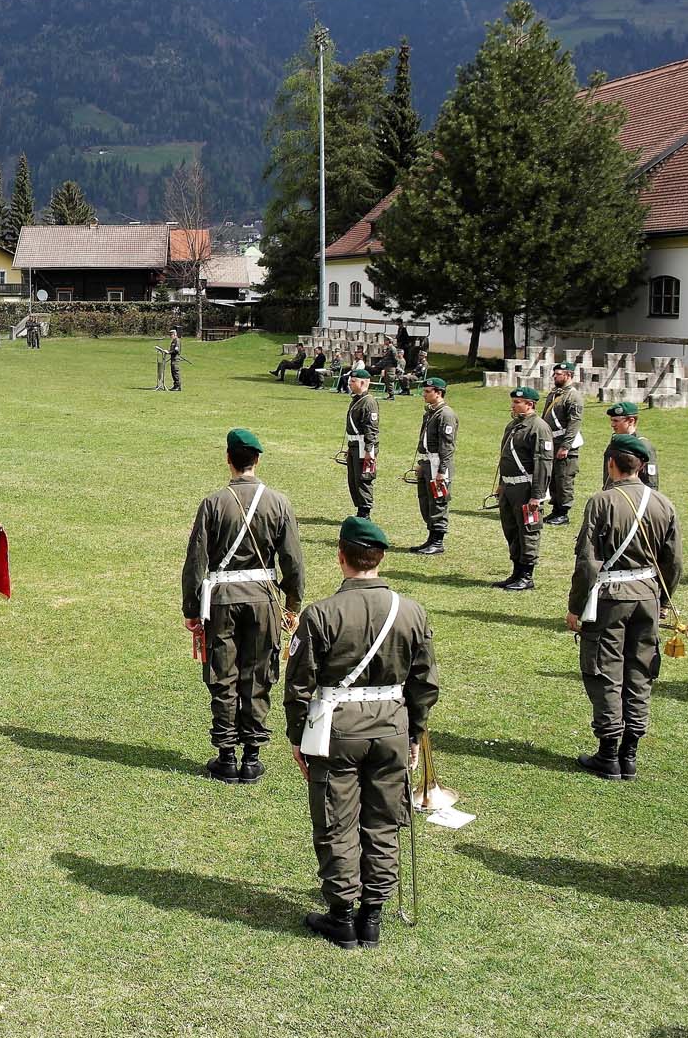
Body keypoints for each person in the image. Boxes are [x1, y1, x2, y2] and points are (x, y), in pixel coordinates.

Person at [285, 516, 439, 950]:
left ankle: (342, 916)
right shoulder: (411, 611)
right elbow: (425, 682)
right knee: (384, 821)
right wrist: (414, 732)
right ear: (381, 558)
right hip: (392, 726)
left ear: (341, 556)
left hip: (337, 730)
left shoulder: (321, 614)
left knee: (336, 820)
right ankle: (372, 915)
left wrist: (297, 737)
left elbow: (298, 684)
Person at [182, 429, 306, 783]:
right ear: (258, 460)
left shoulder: (213, 503)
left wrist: (191, 609)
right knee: (259, 674)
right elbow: (293, 561)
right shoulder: (279, 502)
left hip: (222, 600)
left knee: (223, 676)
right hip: (264, 600)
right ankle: (251, 757)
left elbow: (196, 561)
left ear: (228, 459)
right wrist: (292, 604)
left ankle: (226, 756)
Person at [566, 435, 679, 781]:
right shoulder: (663, 503)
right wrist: (663, 601)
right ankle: (629, 754)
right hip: (647, 596)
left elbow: (587, 561)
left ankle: (608, 753)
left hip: (611, 598)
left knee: (605, 671)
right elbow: (673, 562)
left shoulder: (601, 502)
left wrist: (575, 606)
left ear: (611, 463)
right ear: (641, 466)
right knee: (640, 672)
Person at [495, 387, 554, 591]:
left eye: (517, 402)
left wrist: (537, 495)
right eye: (513, 402)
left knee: (528, 531)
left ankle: (527, 575)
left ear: (530, 404)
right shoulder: (514, 425)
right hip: (509, 486)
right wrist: (501, 484)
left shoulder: (539, 428)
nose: (512, 406)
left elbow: (543, 463)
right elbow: (505, 458)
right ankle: (516, 571)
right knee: (511, 530)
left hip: (526, 488)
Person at [410, 378, 457, 555]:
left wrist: (442, 471)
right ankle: (431, 539)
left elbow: (447, 446)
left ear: (438, 393)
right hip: (428, 462)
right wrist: (422, 463)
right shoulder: (431, 412)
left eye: (428, 391)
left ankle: (438, 541)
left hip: (438, 464)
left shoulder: (446, 414)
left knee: (438, 502)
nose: (424, 394)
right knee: (426, 501)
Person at [542, 363, 585, 525]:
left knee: (564, 479)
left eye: (558, 374)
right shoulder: (554, 394)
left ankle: (563, 513)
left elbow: (574, 424)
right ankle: (555, 510)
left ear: (568, 375)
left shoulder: (573, 397)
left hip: (564, 445)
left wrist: (565, 446)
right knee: (553, 478)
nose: (554, 377)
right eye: (554, 374)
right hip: (552, 442)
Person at [343, 368, 380, 517]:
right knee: (353, 480)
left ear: (363, 383)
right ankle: (360, 508)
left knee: (363, 479)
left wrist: (369, 451)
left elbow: (371, 429)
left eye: (353, 381)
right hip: (355, 445)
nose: (350, 384)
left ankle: (365, 512)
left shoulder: (368, 402)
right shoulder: (357, 400)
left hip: (363, 446)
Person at [602, 401, 658, 489]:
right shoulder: (615, 443)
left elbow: (650, 482)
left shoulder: (643, 446)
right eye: (612, 421)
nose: (612, 425)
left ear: (631, 421)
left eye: (616, 421)